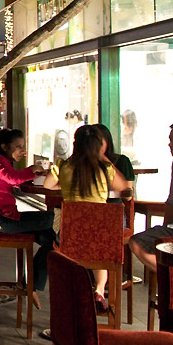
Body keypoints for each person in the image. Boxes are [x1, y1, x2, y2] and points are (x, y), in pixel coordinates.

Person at [43, 123, 129, 313]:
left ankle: (74, 294)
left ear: (76, 144)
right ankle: (98, 290)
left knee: (65, 247)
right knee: (100, 253)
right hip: (99, 236)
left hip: (69, 235)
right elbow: (123, 186)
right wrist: (103, 158)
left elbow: (48, 185)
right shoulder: (105, 167)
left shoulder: (64, 166)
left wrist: (63, 187)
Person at [0, 129, 56, 307]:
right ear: (4, 147)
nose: (22, 151)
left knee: (50, 239)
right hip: (0, 220)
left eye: (23, 147)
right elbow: (12, 178)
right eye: (18, 147)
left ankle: (30, 285)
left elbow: (13, 178)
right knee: (51, 219)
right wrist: (32, 170)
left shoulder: (3, 161)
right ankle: (30, 285)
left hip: (6, 218)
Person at [129, 121, 173, 275]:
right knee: (136, 242)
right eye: (170, 140)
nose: (169, 144)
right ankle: (172, 277)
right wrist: (165, 232)